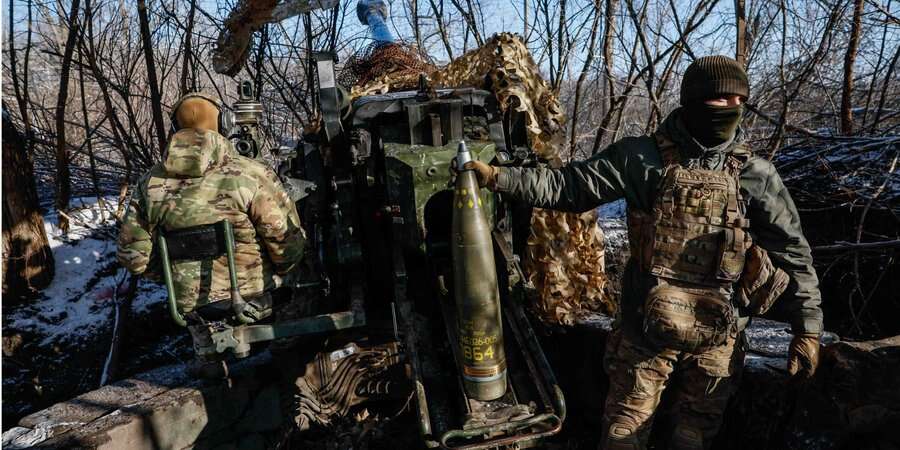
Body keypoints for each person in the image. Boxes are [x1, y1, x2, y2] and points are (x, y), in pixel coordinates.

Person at [465, 56, 823, 449]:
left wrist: (808, 328)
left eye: (737, 100)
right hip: (644, 335)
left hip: (718, 338)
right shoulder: (640, 158)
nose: (729, 107)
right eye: (718, 99)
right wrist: (498, 177)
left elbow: (792, 252)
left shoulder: (756, 174)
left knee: (692, 439)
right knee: (623, 436)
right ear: (693, 101)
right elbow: (568, 187)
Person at [117, 92, 306, 317]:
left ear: (175, 129)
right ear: (224, 124)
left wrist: (176, 279)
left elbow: (133, 256)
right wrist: (284, 270)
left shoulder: (148, 183)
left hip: (192, 310)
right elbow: (285, 242)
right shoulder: (252, 174)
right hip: (257, 299)